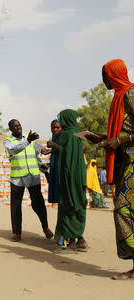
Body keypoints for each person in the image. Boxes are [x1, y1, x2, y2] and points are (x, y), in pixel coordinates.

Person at [86, 59, 134, 279]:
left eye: (104, 75)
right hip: (126, 161)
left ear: (114, 74)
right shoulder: (118, 97)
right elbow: (123, 130)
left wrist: (121, 140)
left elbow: (126, 135)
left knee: (122, 211)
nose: (103, 80)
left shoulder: (130, 94)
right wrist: (104, 138)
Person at [3, 119, 53, 242]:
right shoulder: (8, 141)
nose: (18, 127)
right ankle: (17, 233)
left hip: (33, 175)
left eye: (19, 125)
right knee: (15, 205)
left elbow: (40, 153)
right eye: (14, 126)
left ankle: (45, 227)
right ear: (11, 129)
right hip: (17, 178)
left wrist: (44, 167)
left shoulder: (30, 138)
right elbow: (15, 150)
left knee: (38, 203)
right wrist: (28, 141)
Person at [50, 109, 87, 251]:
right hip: (79, 177)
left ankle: (71, 241)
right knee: (78, 204)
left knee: (68, 205)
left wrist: (55, 147)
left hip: (69, 177)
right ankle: (79, 239)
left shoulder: (68, 135)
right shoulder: (78, 135)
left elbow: (66, 157)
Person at [46, 120, 62, 205]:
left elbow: (66, 151)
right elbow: (56, 152)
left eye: (57, 127)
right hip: (55, 167)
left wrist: (54, 145)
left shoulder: (65, 137)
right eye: (53, 128)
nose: (55, 130)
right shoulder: (54, 137)